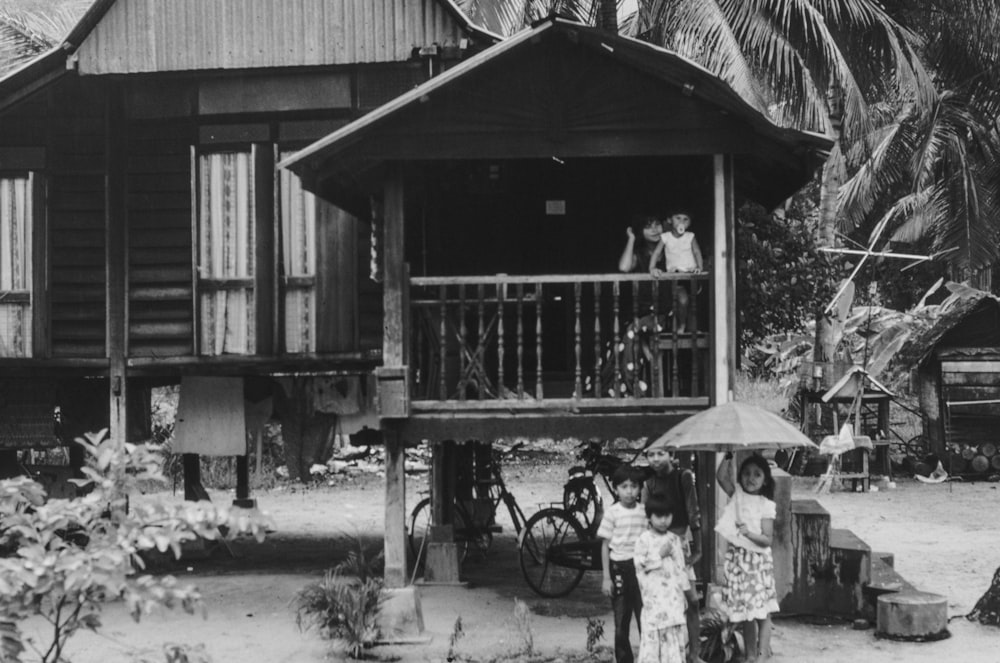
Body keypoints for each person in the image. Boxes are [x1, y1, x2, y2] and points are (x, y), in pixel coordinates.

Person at [641, 446, 705, 663]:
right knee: (664, 602)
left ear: (671, 454)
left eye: (661, 453)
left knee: (693, 601)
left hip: (680, 544)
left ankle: (694, 654)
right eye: (651, 454)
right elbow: (646, 518)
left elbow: (693, 513)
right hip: (658, 547)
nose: (656, 459)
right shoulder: (649, 484)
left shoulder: (683, 477)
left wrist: (697, 550)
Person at [715, 453, 780, 663]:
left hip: (757, 564)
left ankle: (761, 656)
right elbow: (721, 478)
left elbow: (767, 539)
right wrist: (728, 455)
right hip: (738, 562)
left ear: (765, 480)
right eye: (746, 473)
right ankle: (751, 655)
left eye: (757, 474)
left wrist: (748, 533)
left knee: (761, 612)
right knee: (746, 613)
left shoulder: (766, 505)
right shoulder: (737, 496)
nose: (750, 478)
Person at [598, 464, 649, 663]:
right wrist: (606, 577)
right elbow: (605, 546)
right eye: (624, 486)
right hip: (619, 570)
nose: (629, 491)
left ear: (640, 488)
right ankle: (624, 659)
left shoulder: (645, 512)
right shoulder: (612, 513)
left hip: (641, 571)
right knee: (621, 623)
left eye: (634, 486)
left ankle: (648, 658)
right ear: (616, 489)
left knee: (645, 619)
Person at [633, 495, 691, 663]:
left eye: (667, 515)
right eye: (659, 516)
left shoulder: (674, 539)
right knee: (654, 639)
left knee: (672, 637)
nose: (664, 520)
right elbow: (640, 565)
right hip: (654, 600)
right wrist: (659, 555)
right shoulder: (644, 540)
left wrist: (684, 594)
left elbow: (681, 568)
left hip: (673, 599)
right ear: (649, 517)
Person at [649, 211, 703, 333]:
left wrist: (699, 267)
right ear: (670, 220)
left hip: (690, 274)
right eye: (678, 218)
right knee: (682, 299)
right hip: (676, 275)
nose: (681, 222)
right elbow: (657, 253)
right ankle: (681, 325)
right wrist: (652, 267)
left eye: (685, 219)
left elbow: (697, 252)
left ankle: (690, 327)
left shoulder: (690, 236)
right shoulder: (666, 237)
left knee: (690, 303)